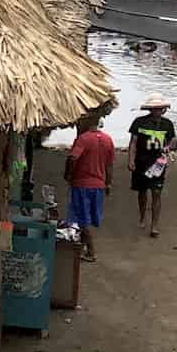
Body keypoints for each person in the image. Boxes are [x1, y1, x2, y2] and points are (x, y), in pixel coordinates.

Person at [64, 111, 115, 261]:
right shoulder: (108, 139)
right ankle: (82, 248)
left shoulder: (83, 139)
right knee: (89, 217)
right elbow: (109, 165)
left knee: (82, 218)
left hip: (82, 183)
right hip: (98, 184)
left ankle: (91, 251)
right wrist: (108, 183)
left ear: (86, 123)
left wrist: (68, 174)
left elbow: (73, 158)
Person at [128, 95, 176, 237]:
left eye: (160, 109)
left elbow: (172, 140)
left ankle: (154, 225)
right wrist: (130, 160)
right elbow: (133, 142)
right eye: (155, 109)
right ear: (150, 109)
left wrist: (169, 147)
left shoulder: (168, 124)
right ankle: (142, 216)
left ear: (164, 110)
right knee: (142, 192)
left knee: (156, 192)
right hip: (141, 162)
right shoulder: (139, 122)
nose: (158, 111)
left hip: (159, 162)